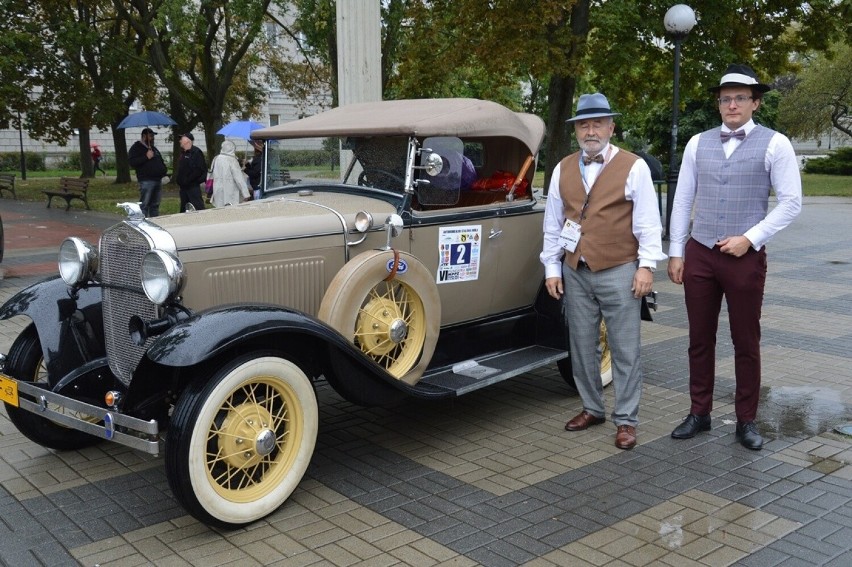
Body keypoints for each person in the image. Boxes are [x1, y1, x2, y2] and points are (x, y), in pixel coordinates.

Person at [668, 64, 802, 451]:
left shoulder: (776, 144)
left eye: (740, 97)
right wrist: (677, 251)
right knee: (699, 338)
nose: (731, 105)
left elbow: (792, 203)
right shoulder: (698, 143)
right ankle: (700, 412)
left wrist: (751, 238)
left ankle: (746, 419)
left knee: (746, 340)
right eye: (725, 98)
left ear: (755, 102)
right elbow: (682, 200)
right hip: (701, 253)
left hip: (745, 257)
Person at [541, 93, 665, 450]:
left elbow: (647, 222)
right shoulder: (563, 168)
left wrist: (645, 266)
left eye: (598, 123)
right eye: (584, 124)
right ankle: (592, 408)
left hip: (619, 268)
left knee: (625, 348)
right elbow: (553, 222)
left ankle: (626, 420)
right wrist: (552, 267)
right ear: (576, 129)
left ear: (611, 127)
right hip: (575, 269)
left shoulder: (633, 166)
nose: (590, 130)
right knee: (581, 345)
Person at [127, 128, 167, 217]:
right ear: (144, 136)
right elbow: (132, 162)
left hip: (157, 180)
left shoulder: (153, 148)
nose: (153, 138)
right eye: (151, 136)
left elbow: (160, 160)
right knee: (144, 204)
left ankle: (154, 223)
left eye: (153, 136)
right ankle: (143, 223)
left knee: (155, 205)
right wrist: (146, 157)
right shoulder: (136, 148)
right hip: (146, 180)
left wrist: (163, 170)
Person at [210, 140, 251, 207]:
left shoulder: (216, 158)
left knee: (219, 210)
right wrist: (246, 194)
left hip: (217, 189)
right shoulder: (232, 160)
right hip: (230, 190)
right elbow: (239, 178)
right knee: (230, 211)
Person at [175, 133, 207, 212]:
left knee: (197, 207)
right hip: (183, 188)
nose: (180, 141)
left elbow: (199, 170)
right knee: (184, 209)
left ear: (187, 141)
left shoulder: (196, 152)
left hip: (193, 186)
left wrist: (188, 180)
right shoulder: (183, 153)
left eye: (181, 139)